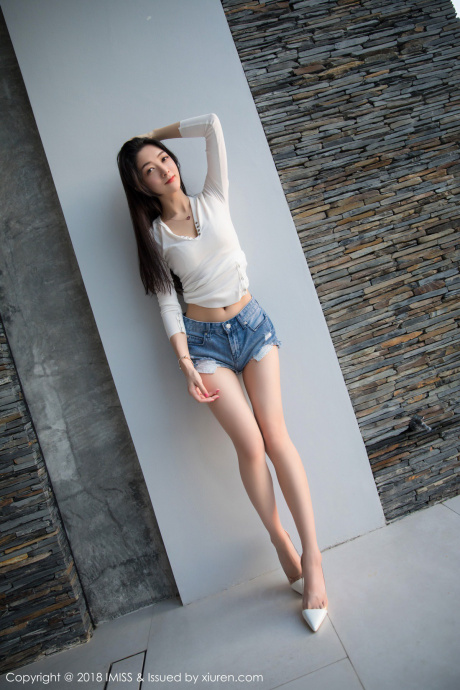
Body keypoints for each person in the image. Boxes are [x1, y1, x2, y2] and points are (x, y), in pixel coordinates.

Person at [117, 113, 328, 632]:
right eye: (149, 169)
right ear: (141, 186)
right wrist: (186, 364)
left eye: (163, 160)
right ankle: (280, 541)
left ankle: (314, 559)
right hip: (206, 346)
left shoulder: (214, 196)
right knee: (250, 446)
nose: (162, 168)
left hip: (252, 327)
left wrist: (153, 136)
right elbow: (168, 303)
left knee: (276, 436)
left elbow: (212, 125)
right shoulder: (154, 236)